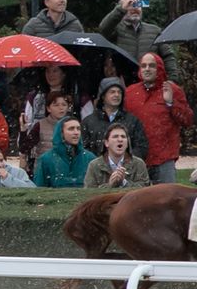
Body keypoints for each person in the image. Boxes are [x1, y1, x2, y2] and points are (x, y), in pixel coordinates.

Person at [122, 52, 191, 184]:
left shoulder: (173, 90)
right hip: (138, 157)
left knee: (167, 200)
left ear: (159, 68)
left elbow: (187, 120)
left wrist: (171, 103)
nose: (147, 69)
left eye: (151, 66)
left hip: (164, 158)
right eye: (143, 66)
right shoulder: (130, 92)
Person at [100, 0, 175, 75]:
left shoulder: (155, 30)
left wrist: (172, 79)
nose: (135, 8)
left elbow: (168, 56)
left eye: (138, 4)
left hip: (149, 80)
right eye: (130, 4)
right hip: (123, 80)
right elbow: (103, 29)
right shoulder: (116, 29)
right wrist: (120, 9)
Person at [81, 77, 150, 159]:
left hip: (126, 169)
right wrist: (100, 165)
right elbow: (83, 149)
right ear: (103, 96)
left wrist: (124, 161)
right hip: (97, 170)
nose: (116, 95)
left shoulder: (133, 121)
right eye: (112, 92)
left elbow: (141, 147)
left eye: (119, 92)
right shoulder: (88, 122)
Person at [33, 115, 96, 187]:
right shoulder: (46, 159)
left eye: (78, 129)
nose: (76, 132)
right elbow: (39, 189)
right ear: (61, 133)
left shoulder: (90, 158)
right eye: (71, 129)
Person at [84, 123, 150, 189]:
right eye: (115, 136)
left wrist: (124, 183)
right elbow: (88, 193)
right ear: (106, 143)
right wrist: (109, 185)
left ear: (127, 143)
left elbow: (145, 190)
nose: (120, 140)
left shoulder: (138, 164)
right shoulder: (94, 165)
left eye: (123, 137)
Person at [19, 91, 73, 168]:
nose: (61, 108)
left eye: (64, 105)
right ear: (48, 108)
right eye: (56, 105)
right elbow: (24, 148)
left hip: (67, 169)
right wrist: (23, 130)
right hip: (44, 170)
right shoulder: (40, 125)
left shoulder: (73, 125)